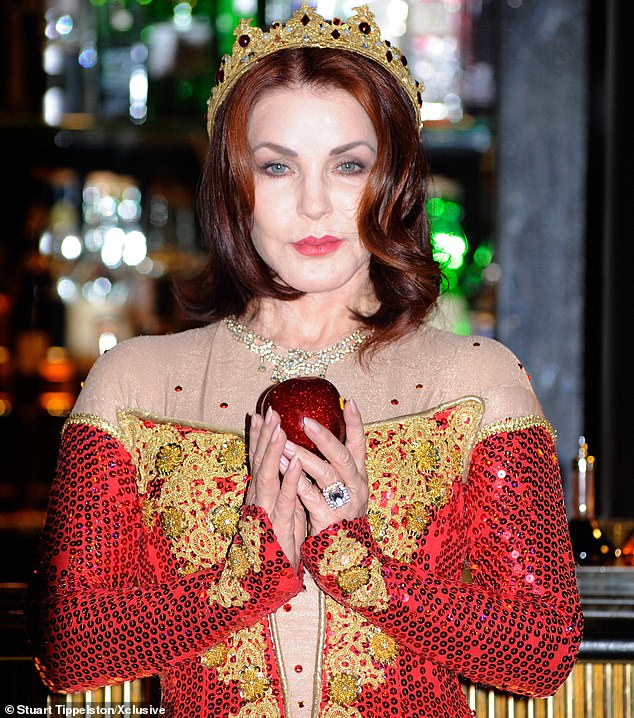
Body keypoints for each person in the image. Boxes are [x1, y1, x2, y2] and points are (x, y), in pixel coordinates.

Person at [28, 4, 583, 717]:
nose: (316, 204)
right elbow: (68, 648)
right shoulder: (134, 384)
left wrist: (360, 563)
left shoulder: (476, 380)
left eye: (348, 165)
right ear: (235, 186)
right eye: (278, 167)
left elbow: (542, 652)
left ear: (394, 181)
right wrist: (244, 571)